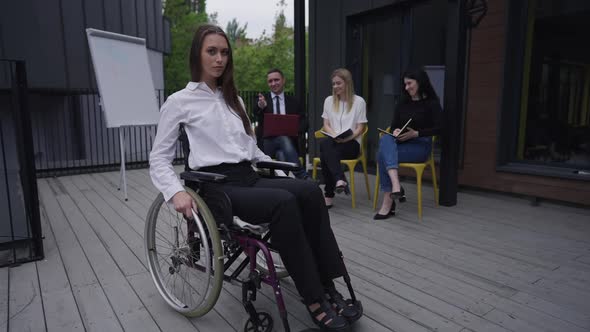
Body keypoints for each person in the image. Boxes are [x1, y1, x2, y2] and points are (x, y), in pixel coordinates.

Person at [149, 24, 360, 331]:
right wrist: (174, 192)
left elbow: (252, 150)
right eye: (211, 51)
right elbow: (159, 158)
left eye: (224, 52)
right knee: (284, 202)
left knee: (310, 191)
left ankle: (328, 284)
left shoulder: (234, 101)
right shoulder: (179, 101)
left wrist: (283, 168)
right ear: (197, 55)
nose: (219, 58)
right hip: (215, 186)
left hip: (248, 175)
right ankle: (313, 298)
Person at [374, 67, 442, 220]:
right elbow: (393, 126)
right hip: (402, 143)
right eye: (405, 84)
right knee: (386, 138)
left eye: (410, 83)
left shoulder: (431, 103)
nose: (407, 87)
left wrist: (416, 133)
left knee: (381, 155)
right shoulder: (403, 102)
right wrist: (396, 131)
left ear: (420, 82)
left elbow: (440, 129)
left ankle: (388, 202)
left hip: (420, 146)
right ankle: (396, 186)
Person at [319, 68, 368, 208]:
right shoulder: (329, 101)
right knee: (326, 146)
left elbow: (360, 128)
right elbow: (326, 124)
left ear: (347, 83)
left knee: (325, 149)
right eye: (333, 84)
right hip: (334, 142)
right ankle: (340, 180)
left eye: (338, 83)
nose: (335, 87)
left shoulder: (359, 102)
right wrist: (334, 135)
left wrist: (346, 139)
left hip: (351, 144)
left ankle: (329, 194)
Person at [253, 68, 310, 179]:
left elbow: (304, 122)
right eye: (270, 81)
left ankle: (282, 183)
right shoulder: (262, 100)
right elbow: (255, 113)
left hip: (289, 145)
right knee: (282, 138)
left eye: (276, 80)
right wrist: (261, 107)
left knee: (282, 155)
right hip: (267, 144)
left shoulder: (294, 101)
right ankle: (302, 175)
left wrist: (294, 130)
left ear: (283, 80)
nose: (273, 83)